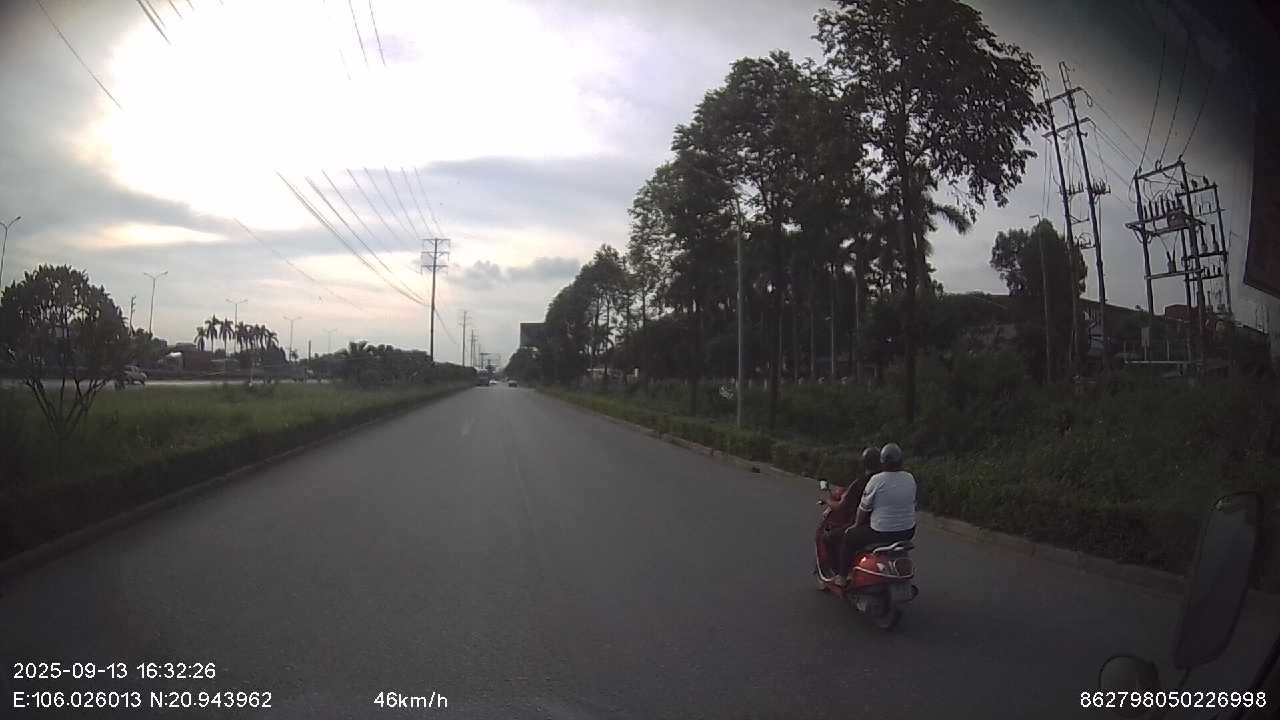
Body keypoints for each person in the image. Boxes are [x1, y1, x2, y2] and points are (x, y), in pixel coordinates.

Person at [834, 443, 917, 586]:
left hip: (881, 532)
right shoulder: (910, 478)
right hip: (908, 532)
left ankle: (842, 576)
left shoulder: (877, 480)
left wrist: (856, 525)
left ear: (882, 462)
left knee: (849, 536)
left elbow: (863, 509)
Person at [819, 448, 881, 571]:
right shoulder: (885, 482)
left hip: (865, 526)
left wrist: (827, 501)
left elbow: (841, 506)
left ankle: (840, 573)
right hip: (883, 526)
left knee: (829, 537)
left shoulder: (860, 483)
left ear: (864, 463)